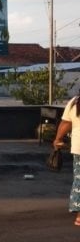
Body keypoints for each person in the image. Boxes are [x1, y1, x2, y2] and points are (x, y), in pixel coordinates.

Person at [53, 95, 80, 226]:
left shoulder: (75, 101)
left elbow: (66, 123)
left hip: (78, 147)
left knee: (79, 180)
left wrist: (58, 139)